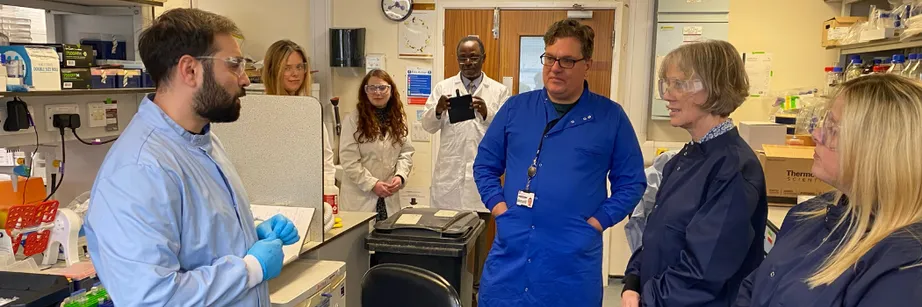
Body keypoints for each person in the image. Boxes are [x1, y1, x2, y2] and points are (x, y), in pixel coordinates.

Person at [83, 9, 300, 306]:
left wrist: (251, 229)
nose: (244, 80)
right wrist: (250, 269)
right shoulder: (139, 169)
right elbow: (151, 299)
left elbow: (201, 235)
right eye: (234, 65)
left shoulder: (201, 142)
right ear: (190, 70)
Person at [473, 19, 646, 306]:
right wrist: (499, 209)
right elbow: (484, 165)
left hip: (571, 261)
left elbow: (632, 182)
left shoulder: (610, 117)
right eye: (550, 58)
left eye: (567, 61)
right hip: (511, 254)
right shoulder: (516, 109)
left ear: (586, 64)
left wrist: (597, 222)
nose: (555, 68)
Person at [736, 74, 922, 307]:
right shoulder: (808, 214)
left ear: (878, 151)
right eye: (825, 122)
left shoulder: (905, 269)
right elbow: (754, 285)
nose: (817, 135)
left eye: (833, 128)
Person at [621, 40, 768, 307]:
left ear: (713, 88)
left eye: (679, 84)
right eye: (666, 84)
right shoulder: (685, 159)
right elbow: (656, 235)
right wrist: (633, 281)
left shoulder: (733, 169)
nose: (667, 95)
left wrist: (648, 300)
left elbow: (703, 273)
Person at [339, 69, 415, 221]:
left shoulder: (398, 119)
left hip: (389, 197)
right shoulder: (353, 120)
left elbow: (406, 153)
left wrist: (400, 176)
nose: (377, 92)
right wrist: (372, 184)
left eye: (382, 87)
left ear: (391, 90)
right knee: (358, 242)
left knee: (386, 240)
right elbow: (349, 160)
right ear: (365, 91)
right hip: (360, 198)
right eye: (372, 88)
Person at [262, 40, 334, 187]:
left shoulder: (309, 112)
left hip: (308, 194)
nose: (295, 74)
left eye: (299, 67)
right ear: (273, 71)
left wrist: (326, 191)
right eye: (287, 68)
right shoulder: (262, 113)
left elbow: (325, 160)